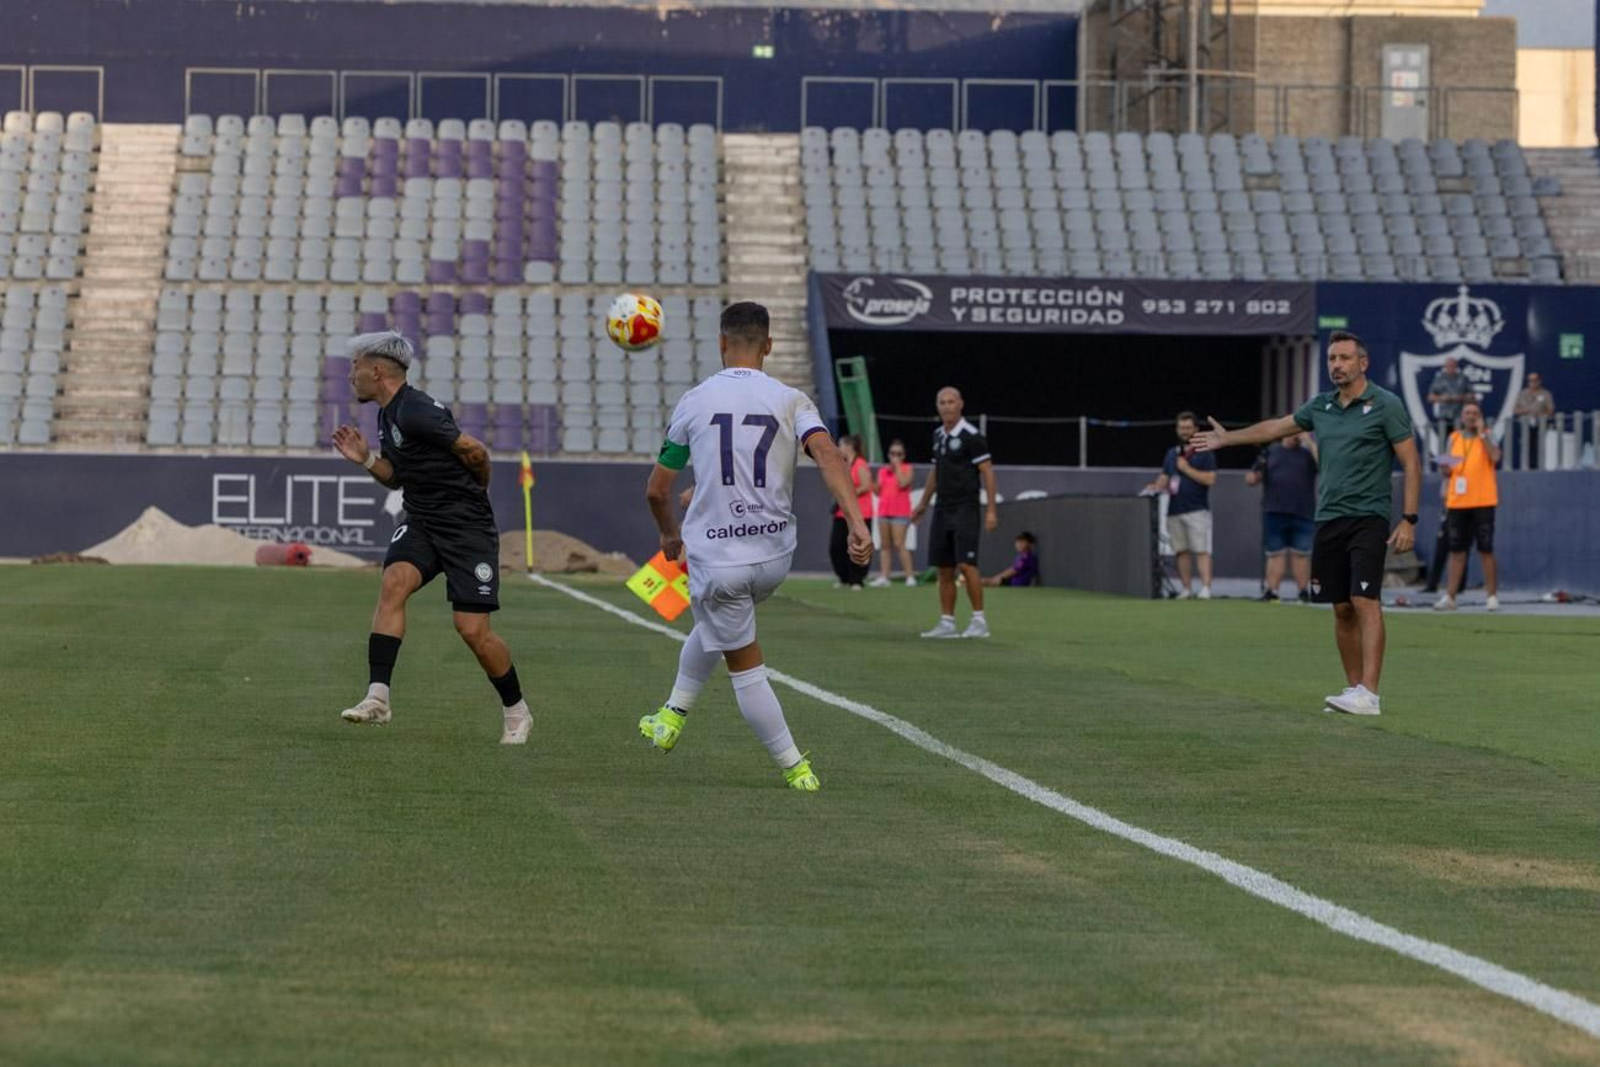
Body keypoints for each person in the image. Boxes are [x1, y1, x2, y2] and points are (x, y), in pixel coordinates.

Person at [638, 302, 871, 791]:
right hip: (773, 556)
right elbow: (827, 454)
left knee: (742, 660)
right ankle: (671, 715)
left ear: (722, 343)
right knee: (718, 619)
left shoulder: (695, 401)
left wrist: (668, 533)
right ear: (768, 345)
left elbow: (657, 490)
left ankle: (794, 766)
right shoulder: (791, 400)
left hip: (719, 560)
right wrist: (856, 521)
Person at [1190, 330, 1421, 717]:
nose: (1337, 365)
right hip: (1328, 517)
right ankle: (1353, 690)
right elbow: (1275, 428)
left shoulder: (1386, 405)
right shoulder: (1321, 407)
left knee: (1365, 600)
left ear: (1363, 363)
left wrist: (1409, 520)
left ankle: (1371, 693)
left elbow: (1411, 464)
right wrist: (1229, 439)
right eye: (1332, 359)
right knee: (1341, 607)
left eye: (1345, 358)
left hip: (1369, 515)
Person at [330, 331, 532, 745]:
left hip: (465, 527)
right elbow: (396, 478)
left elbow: (475, 451)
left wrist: (477, 492)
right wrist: (366, 459)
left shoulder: (417, 409)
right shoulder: (388, 414)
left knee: (472, 630)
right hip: (423, 519)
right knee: (393, 583)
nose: (350, 375)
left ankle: (517, 710)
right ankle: (378, 698)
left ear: (377, 370)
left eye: (355, 366)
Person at [910, 386, 998, 638]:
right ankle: (947, 622)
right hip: (942, 508)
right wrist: (923, 504)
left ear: (961, 404)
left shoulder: (972, 436)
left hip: (965, 508)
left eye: (951, 402)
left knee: (966, 564)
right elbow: (936, 472)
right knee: (944, 567)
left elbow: (988, 473)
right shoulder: (938, 435)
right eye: (942, 402)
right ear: (937, 406)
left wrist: (991, 510)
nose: (947, 406)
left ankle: (979, 621)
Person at [1142, 411, 1218, 600]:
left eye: (1188, 428)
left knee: (1202, 549)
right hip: (1175, 509)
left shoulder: (1205, 452)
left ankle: (1206, 588)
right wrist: (1156, 485)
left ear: (1196, 429)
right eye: (1181, 428)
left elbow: (1210, 479)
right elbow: (1165, 477)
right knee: (1180, 551)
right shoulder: (1172, 453)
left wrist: (1187, 469)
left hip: (1197, 509)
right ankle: (1186, 588)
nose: (1184, 431)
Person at [1435, 400, 1501, 612]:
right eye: (1468, 413)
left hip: (1483, 500)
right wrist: (1444, 468)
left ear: (1480, 416)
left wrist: (1483, 435)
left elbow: (1495, 457)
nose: (1471, 416)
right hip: (1458, 501)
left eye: (1475, 413)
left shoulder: (1488, 436)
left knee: (1486, 548)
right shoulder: (1453, 438)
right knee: (1456, 550)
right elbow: (1447, 470)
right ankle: (1450, 596)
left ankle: (1491, 596)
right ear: (1462, 417)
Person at [1245, 432, 1318, 602]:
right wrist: (1252, 478)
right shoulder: (1271, 451)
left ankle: (1303, 591)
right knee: (1275, 553)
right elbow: (1254, 476)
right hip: (1274, 509)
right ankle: (1272, 590)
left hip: (1303, 510)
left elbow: (1326, 466)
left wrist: (1309, 442)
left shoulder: (1308, 454)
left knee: (1301, 553)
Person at [828, 434, 873, 590]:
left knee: (859, 546)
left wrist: (848, 493)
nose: (839, 449)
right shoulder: (843, 465)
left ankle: (857, 579)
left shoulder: (860, 464)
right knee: (836, 546)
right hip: (842, 512)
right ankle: (843, 577)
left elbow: (866, 485)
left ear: (848, 446)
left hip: (861, 512)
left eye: (840, 445)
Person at [870, 439, 917, 587]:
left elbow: (903, 483)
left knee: (899, 544)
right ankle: (884, 576)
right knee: (884, 545)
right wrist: (872, 483)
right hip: (884, 511)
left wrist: (897, 467)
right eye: (892, 453)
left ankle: (910, 577)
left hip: (900, 512)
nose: (895, 456)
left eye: (899, 454)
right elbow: (878, 491)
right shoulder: (883, 471)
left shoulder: (907, 468)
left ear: (903, 456)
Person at [1513, 372, 1555, 470]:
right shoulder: (1522, 394)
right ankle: (1525, 467)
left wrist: (1540, 414)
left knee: (1539, 447)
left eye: (1535, 380)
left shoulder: (1545, 394)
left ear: (1539, 381)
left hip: (1540, 425)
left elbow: (1551, 410)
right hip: (1525, 425)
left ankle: (1539, 467)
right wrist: (1528, 410)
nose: (1532, 383)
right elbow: (1516, 410)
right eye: (1530, 381)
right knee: (1526, 447)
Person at [1426, 357, 1474, 436]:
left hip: (1459, 416)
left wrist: (1460, 397)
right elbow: (1430, 397)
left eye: (1453, 366)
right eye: (1448, 366)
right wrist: (1442, 398)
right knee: (1443, 440)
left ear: (1456, 366)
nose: (1450, 368)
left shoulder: (1463, 378)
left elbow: (1471, 396)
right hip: (1444, 416)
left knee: (1459, 439)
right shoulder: (1439, 379)